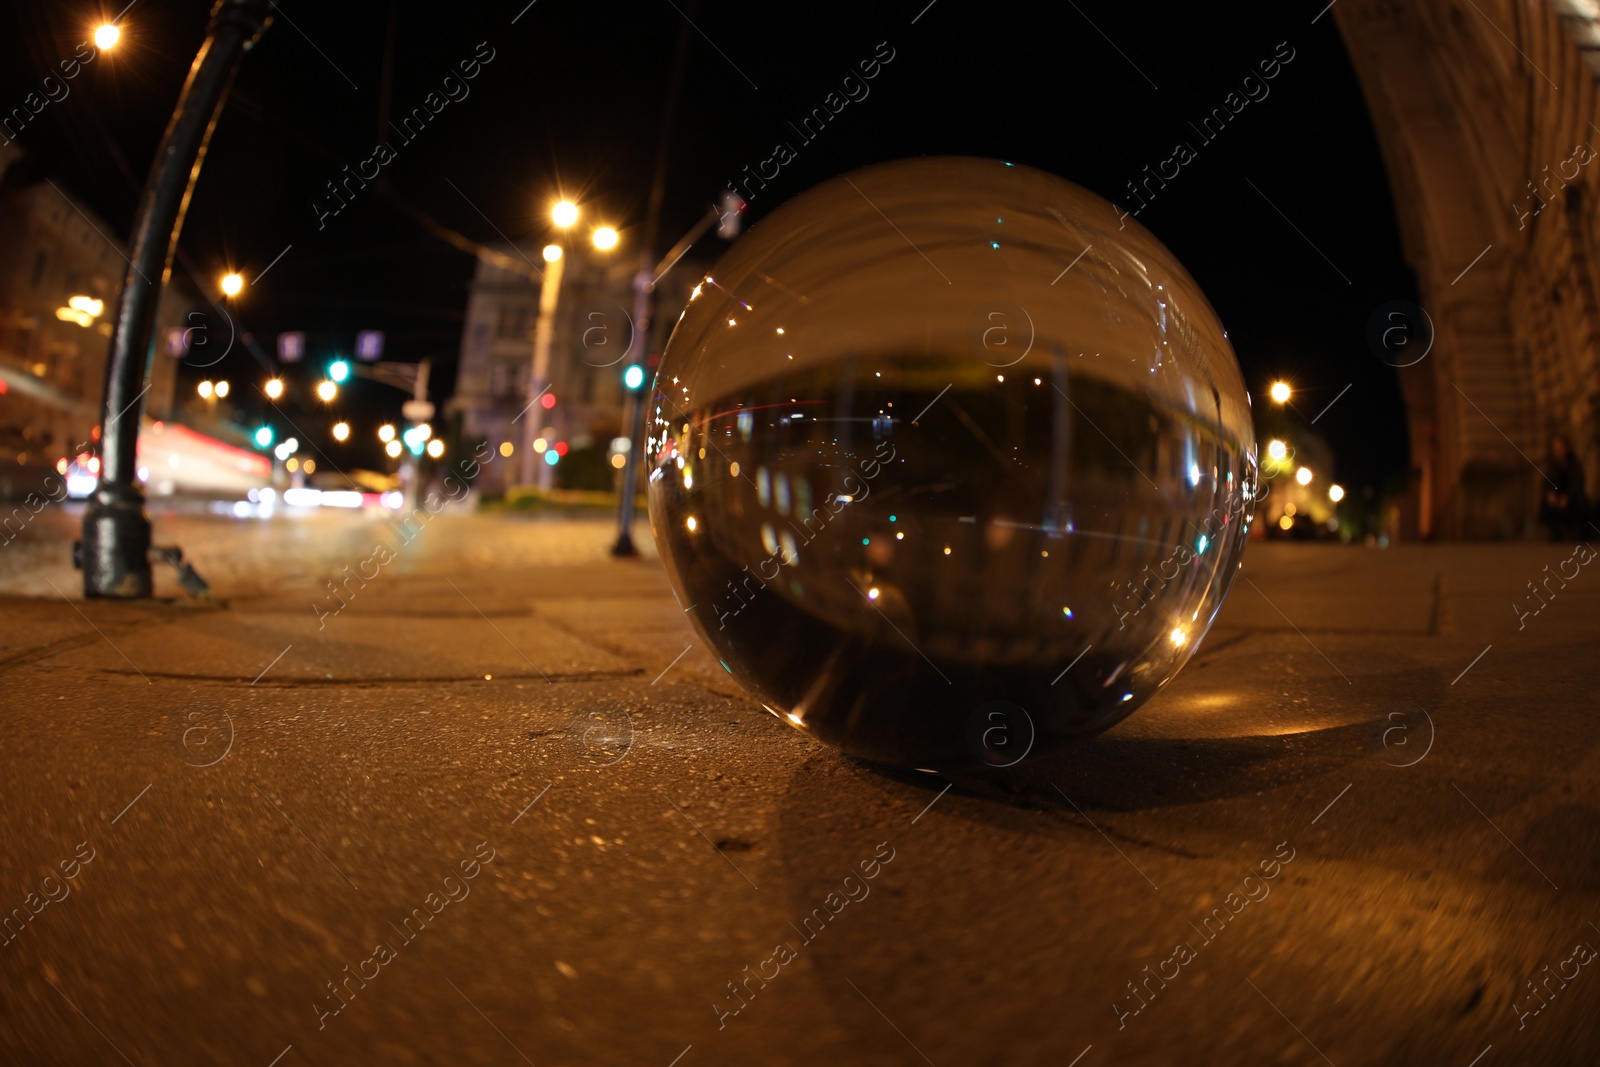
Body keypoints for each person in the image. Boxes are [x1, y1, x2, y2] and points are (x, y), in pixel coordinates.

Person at [1539, 433, 1588, 541]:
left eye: (1560, 448)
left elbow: (1577, 483)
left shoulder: (1574, 464)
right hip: (1557, 498)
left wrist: (1567, 496)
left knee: (1581, 502)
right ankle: (1555, 532)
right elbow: (1546, 483)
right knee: (1545, 503)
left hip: (1571, 499)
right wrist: (1550, 494)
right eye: (1556, 449)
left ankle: (1576, 532)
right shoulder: (1552, 465)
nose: (1558, 451)